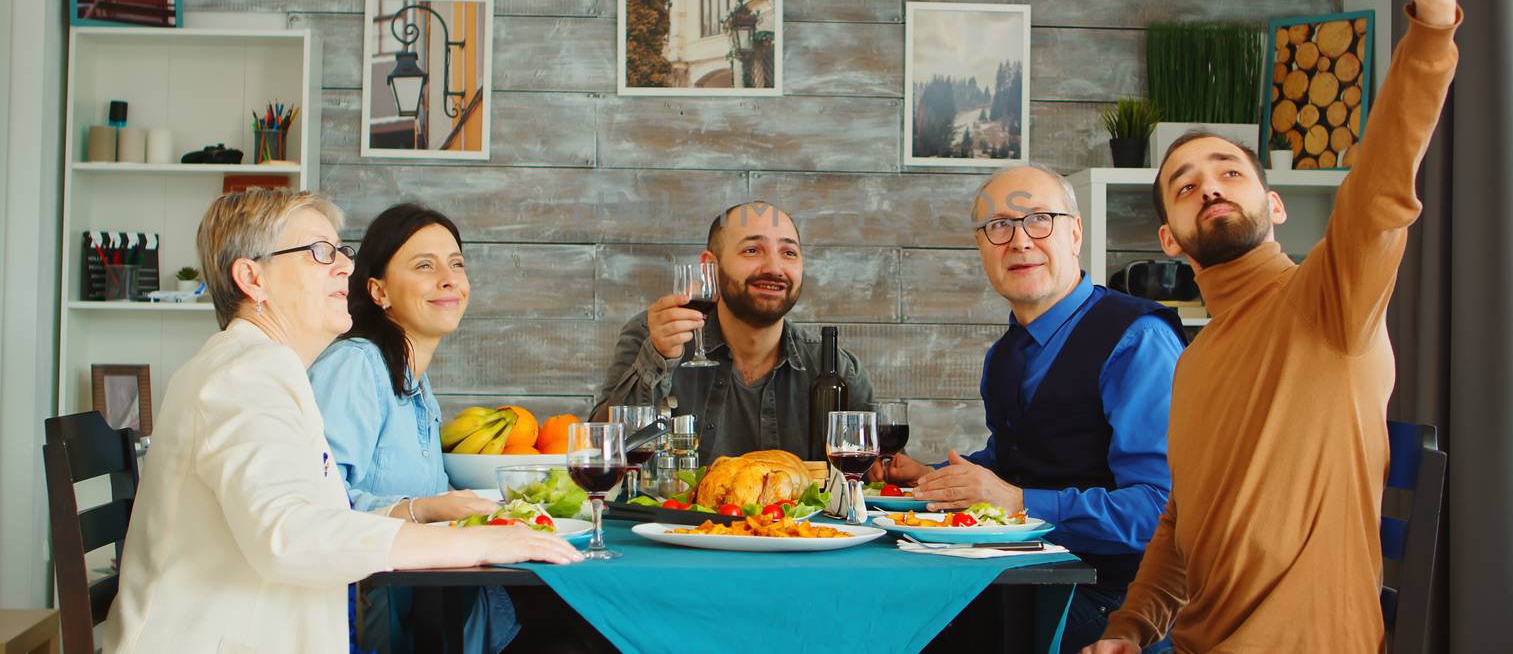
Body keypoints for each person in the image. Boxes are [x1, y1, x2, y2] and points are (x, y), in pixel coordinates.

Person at [1085, 0, 1460, 652]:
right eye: (1183, 187)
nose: (1208, 187)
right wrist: (1131, 628)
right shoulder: (1193, 362)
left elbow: (1384, 186)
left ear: (1275, 205)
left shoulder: (1331, 298)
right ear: (1170, 241)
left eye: (1229, 171)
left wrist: (1431, 24)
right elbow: (1181, 524)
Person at [104, 190, 580, 654]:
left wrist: (456, 527)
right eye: (318, 252)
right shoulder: (246, 376)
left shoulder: (263, 368)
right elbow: (289, 536)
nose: (346, 266)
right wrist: (472, 544)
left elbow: (320, 519)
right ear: (253, 278)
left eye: (342, 251)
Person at [883, 165, 1186, 650]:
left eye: (1039, 219)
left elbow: (1159, 510)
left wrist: (1021, 503)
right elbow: (1017, 459)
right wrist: (931, 476)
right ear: (981, 249)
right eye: (998, 227)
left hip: (1115, 608)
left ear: (1075, 233)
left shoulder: (1139, 341)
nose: (1019, 241)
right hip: (1027, 586)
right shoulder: (1004, 355)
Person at [309, 203, 516, 654]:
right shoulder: (356, 367)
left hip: (425, 607)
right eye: (425, 265)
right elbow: (318, 506)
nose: (449, 279)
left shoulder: (415, 383)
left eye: (456, 264)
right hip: (369, 621)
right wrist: (423, 509)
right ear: (378, 290)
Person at [594, 201, 873, 461]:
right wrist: (656, 358)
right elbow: (601, 448)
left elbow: (872, 479)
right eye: (752, 250)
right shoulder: (652, 335)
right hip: (670, 516)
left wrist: (904, 474)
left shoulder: (838, 369)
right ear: (710, 267)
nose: (774, 268)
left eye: (788, 253)